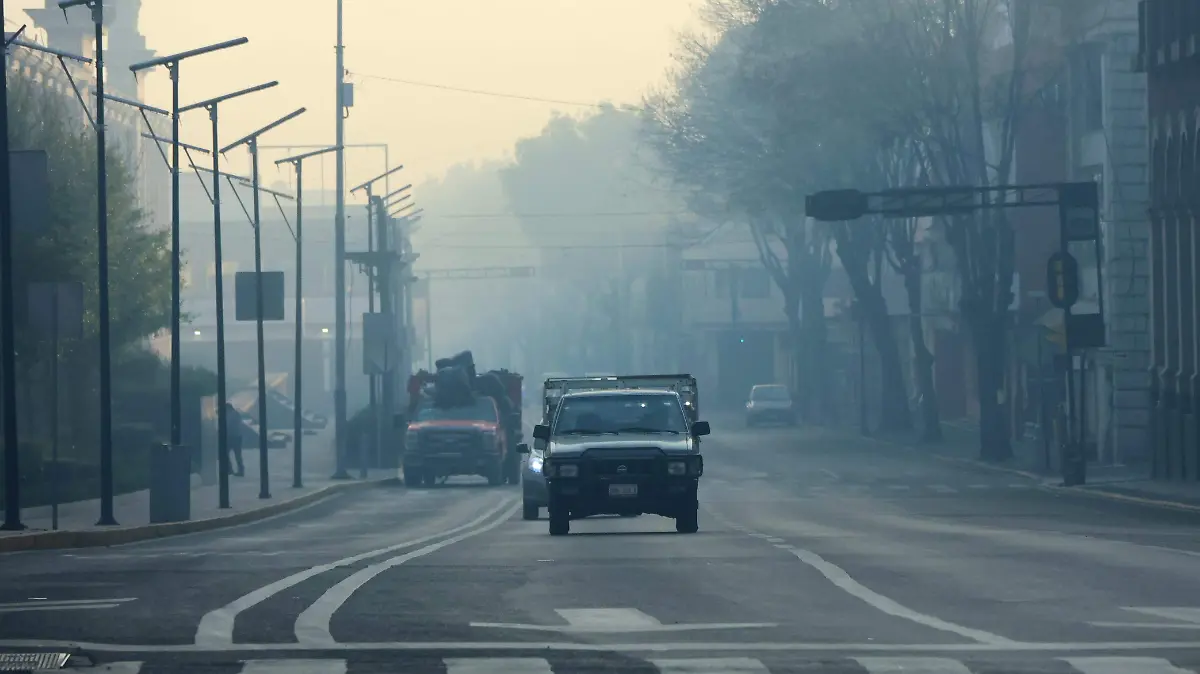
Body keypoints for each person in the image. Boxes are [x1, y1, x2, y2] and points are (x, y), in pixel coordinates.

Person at [224, 403, 245, 477]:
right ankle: (240, 470)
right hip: (237, 436)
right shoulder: (235, 414)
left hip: (231, 437)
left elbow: (228, 425)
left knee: (225, 453)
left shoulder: (231, 415)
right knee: (238, 455)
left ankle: (230, 469)